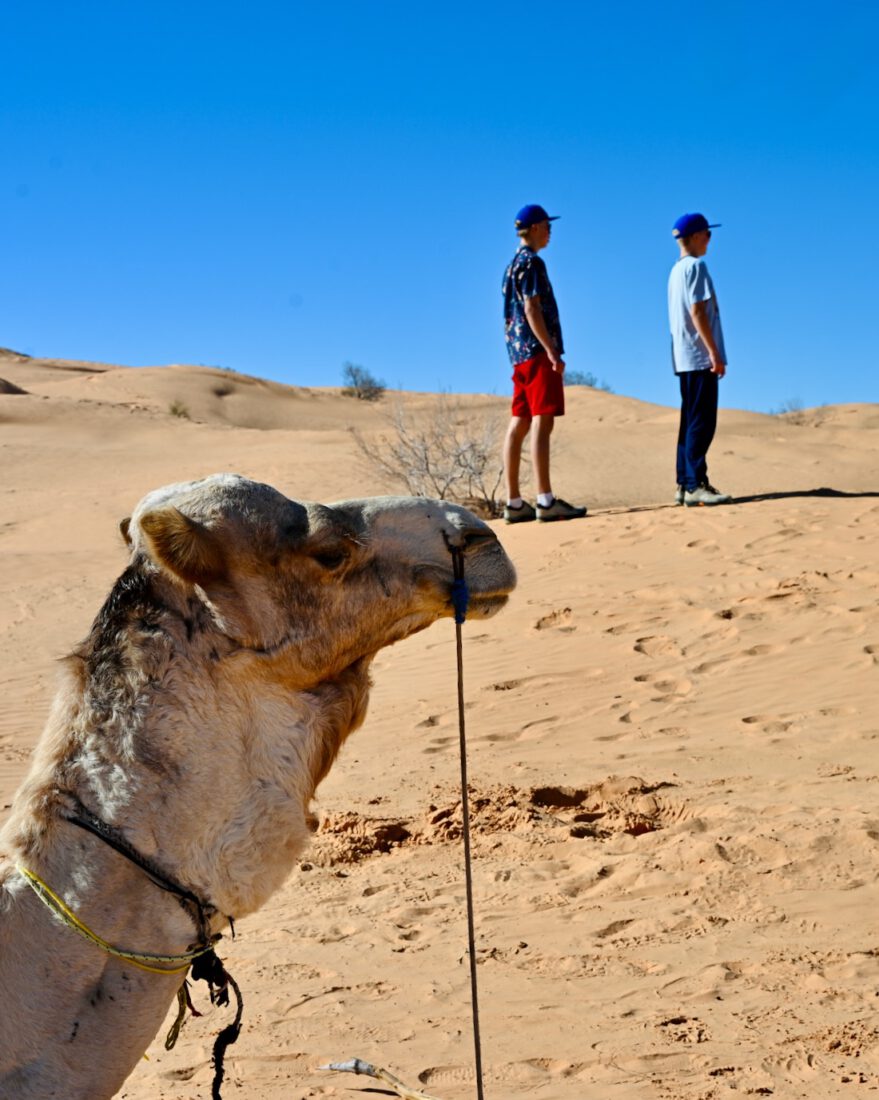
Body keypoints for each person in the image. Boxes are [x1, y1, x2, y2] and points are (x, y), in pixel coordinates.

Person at [501, 204, 587, 523]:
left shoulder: (511, 266)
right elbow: (531, 308)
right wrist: (550, 349)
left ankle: (513, 502)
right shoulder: (532, 263)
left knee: (520, 421)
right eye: (547, 226)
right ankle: (545, 499)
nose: (550, 232)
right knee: (542, 419)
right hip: (536, 353)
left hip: (517, 355)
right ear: (535, 227)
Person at [668, 212, 733, 507]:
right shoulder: (696, 267)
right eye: (707, 233)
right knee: (701, 422)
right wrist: (713, 352)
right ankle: (696, 484)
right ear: (695, 236)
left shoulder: (675, 271)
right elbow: (697, 312)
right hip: (698, 356)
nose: (709, 239)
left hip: (684, 357)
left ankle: (684, 483)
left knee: (690, 420)